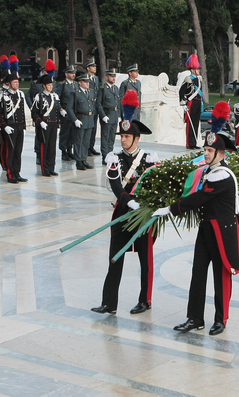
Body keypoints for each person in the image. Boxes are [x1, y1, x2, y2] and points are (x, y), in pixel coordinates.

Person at [155, 102, 239, 336]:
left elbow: (200, 198)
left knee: (221, 276)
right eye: (205, 149)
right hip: (206, 230)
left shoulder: (222, 175)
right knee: (198, 273)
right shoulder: (207, 171)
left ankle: (221, 319)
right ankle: (195, 318)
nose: (205, 153)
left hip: (221, 232)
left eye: (210, 151)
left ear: (221, 154)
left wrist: (170, 209)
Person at [92, 90, 159, 317]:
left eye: (127, 136)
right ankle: (108, 302)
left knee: (145, 260)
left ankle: (145, 300)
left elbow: (155, 187)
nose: (123, 139)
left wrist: (145, 206)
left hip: (143, 216)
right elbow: (116, 187)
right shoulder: (115, 159)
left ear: (137, 138)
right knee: (115, 259)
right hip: (122, 213)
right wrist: (129, 202)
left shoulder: (149, 159)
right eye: (121, 136)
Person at [0, 72, 27, 183]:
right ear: (9, 84)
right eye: (15, 82)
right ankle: (10, 174)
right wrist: (4, 126)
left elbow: (22, 112)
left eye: (18, 82)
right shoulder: (4, 96)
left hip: (18, 126)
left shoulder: (20, 95)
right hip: (10, 126)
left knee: (18, 151)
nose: (17, 84)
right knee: (10, 151)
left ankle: (17, 173)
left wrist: (23, 126)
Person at [33, 74, 65, 177]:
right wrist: (40, 122)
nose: (50, 86)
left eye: (51, 85)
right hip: (44, 125)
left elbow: (56, 110)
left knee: (52, 147)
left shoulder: (54, 96)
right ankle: (45, 169)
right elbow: (35, 112)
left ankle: (51, 168)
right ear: (44, 86)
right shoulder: (40, 97)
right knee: (44, 148)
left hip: (53, 124)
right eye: (48, 85)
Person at [69, 73, 96, 170]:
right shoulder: (75, 93)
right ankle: (78, 161)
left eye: (88, 81)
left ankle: (84, 159)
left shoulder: (90, 92)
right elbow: (69, 108)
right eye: (85, 81)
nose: (87, 83)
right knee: (78, 141)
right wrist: (75, 119)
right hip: (80, 119)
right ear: (80, 82)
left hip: (89, 120)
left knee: (86, 141)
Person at [179, 55, 204, 149]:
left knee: (196, 123)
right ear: (192, 69)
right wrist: (183, 102)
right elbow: (181, 91)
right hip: (191, 102)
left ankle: (194, 143)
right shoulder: (188, 79)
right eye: (197, 69)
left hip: (198, 102)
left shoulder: (199, 79)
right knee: (190, 124)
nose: (199, 70)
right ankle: (189, 143)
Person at [96, 69, 120, 164]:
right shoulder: (103, 89)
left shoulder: (116, 88)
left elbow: (118, 103)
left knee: (111, 138)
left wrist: (118, 114)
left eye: (114, 76)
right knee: (105, 137)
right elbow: (98, 104)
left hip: (114, 116)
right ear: (106, 77)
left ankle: (110, 155)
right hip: (107, 115)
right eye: (111, 76)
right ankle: (105, 156)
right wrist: (103, 116)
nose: (113, 78)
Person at [55, 65, 77, 161]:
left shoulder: (75, 85)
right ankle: (63, 151)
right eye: (71, 73)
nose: (73, 74)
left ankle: (69, 150)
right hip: (65, 112)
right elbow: (57, 99)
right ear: (66, 74)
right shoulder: (62, 85)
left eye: (74, 73)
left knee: (72, 132)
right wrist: (60, 109)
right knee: (65, 132)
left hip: (74, 112)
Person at [84, 59, 101, 157]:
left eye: (95, 66)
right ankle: (86, 148)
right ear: (88, 68)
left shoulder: (96, 78)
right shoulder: (86, 78)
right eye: (92, 66)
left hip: (95, 106)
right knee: (89, 128)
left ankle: (91, 146)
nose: (95, 68)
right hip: (89, 105)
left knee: (94, 128)